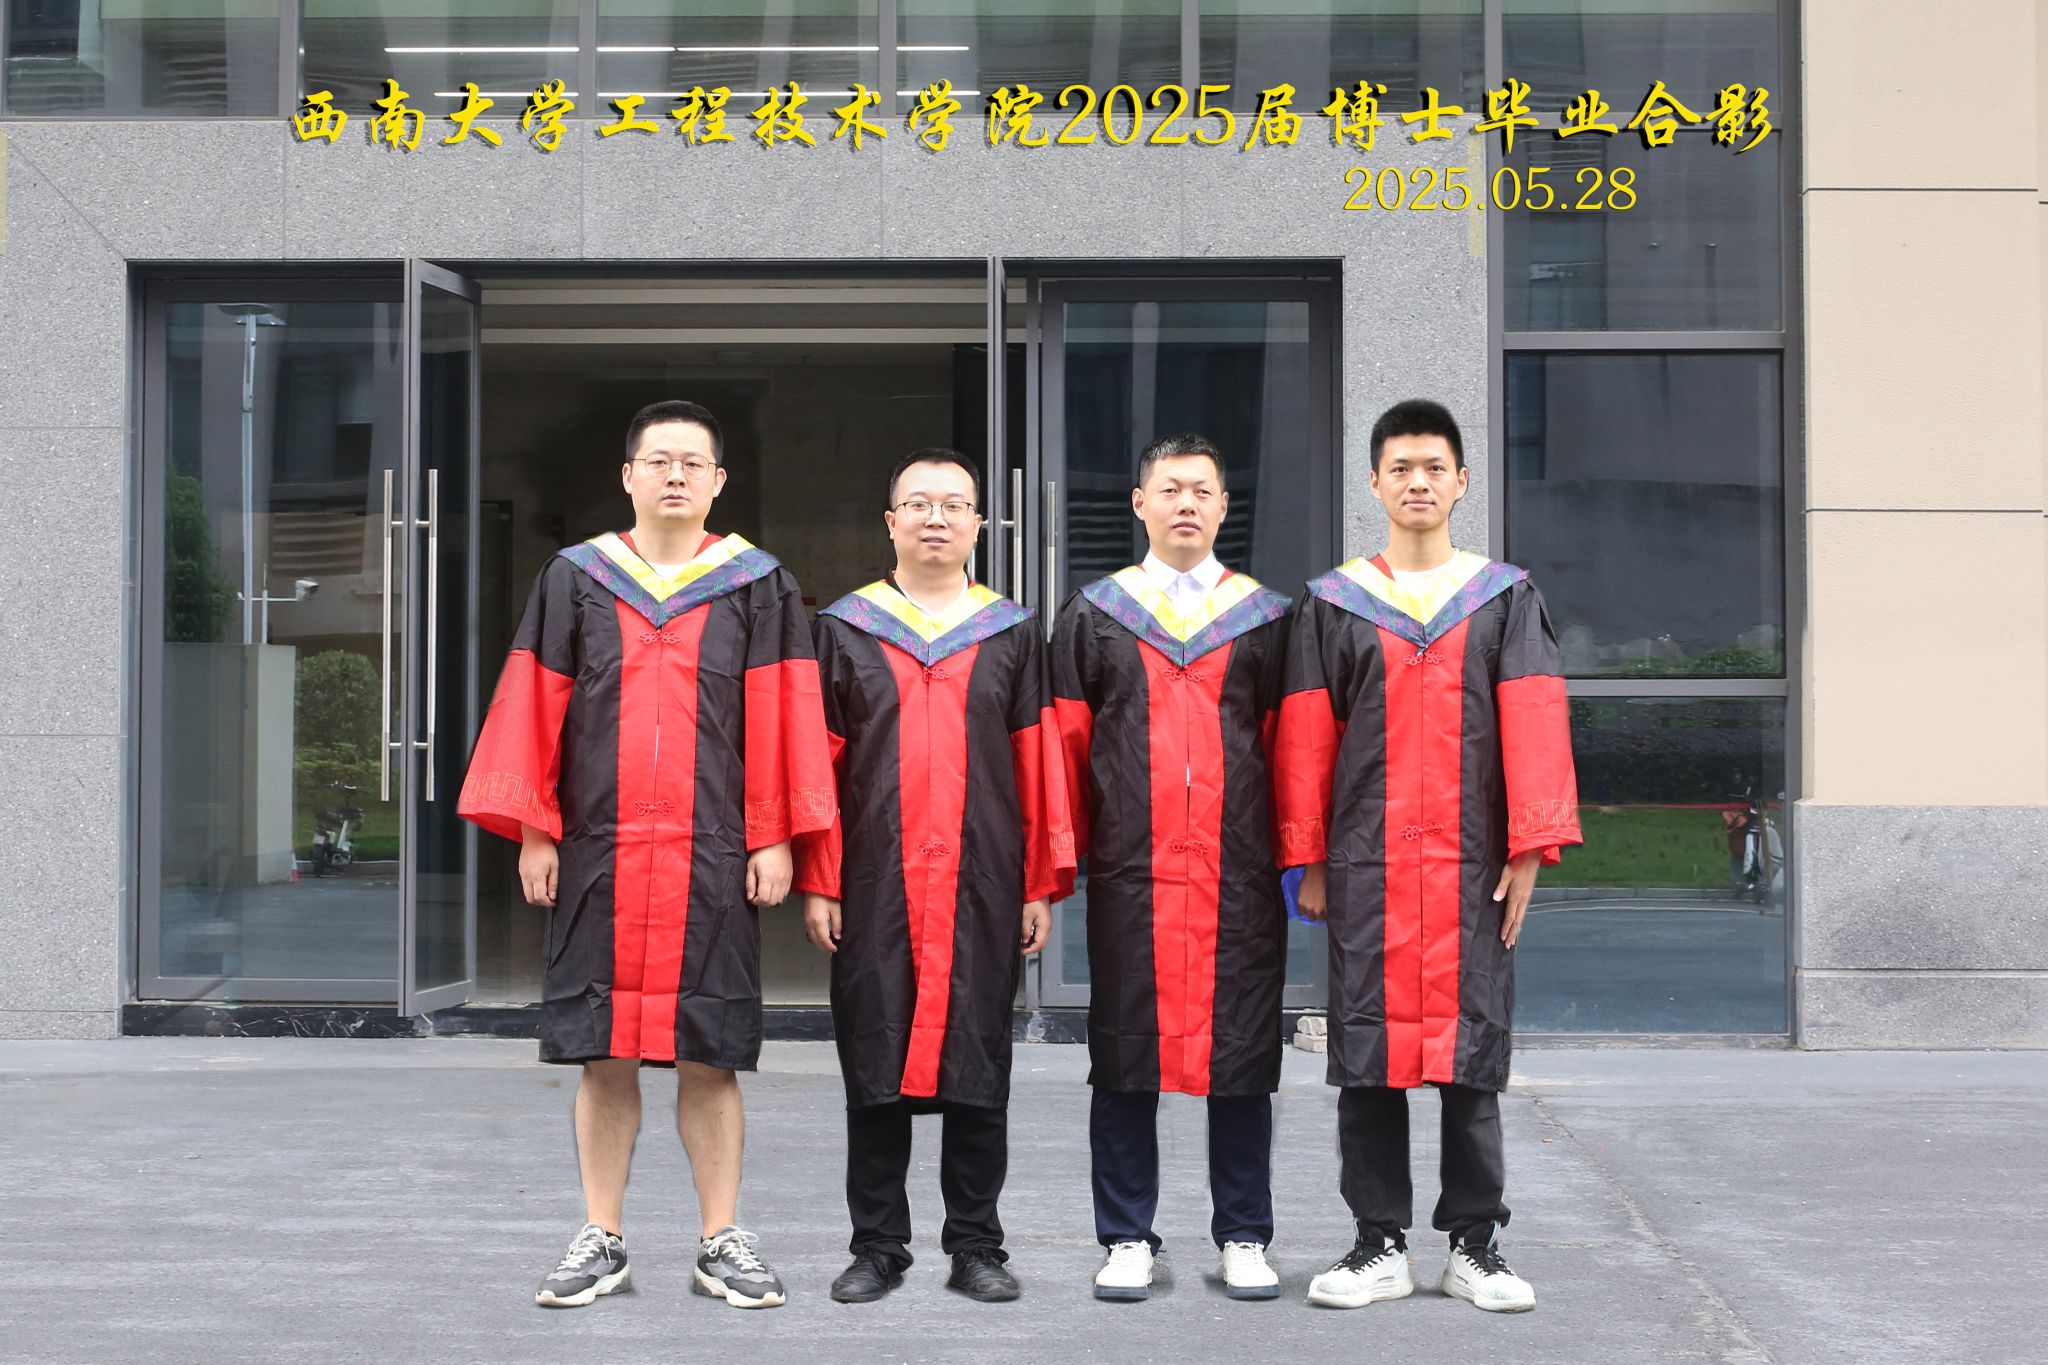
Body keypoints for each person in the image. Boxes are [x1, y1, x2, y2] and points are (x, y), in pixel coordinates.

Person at [458, 399, 835, 1311]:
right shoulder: (576, 577)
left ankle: (721, 1238)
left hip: (713, 854)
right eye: (658, 460)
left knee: (712, 1050)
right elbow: (537, 699)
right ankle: (602, 1234)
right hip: (601, 852)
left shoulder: (757, 584)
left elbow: (786, 712)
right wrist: (537, 829)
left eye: (691, 462)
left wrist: (776, 833)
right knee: (604, 1051)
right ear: (628, 476)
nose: (675, 474)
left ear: (717, 482)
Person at [1275, 399, 1582, 1314]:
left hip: (1471, 866)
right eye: (1401, 467)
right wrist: (1310, 857)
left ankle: (1474, 1245)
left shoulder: (1503, 596)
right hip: (1366, 864)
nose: (1418, 481)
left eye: (1434, 467)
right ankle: (1378, 1243)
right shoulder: (1333, 602)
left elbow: (1533, 715)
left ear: (1461, 481)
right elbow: (1306, 733)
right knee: (1367, 1052)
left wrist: (1530, 846)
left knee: (1471, 1049)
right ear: (1374, 482)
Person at [796, 448, 1076, 1305]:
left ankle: (976, 1245)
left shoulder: (1012, 632)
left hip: (981, 880)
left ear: (979, 523)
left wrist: (1038, 881)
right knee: (873, 1057)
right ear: (891, 522)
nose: (936, 517)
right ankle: (878, 1246)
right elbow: (818, 765)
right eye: (918, 503)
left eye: (955, 504)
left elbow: (1037, 764)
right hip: (876, 881)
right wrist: (821, 878)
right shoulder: (844, 628)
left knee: (979, 1061)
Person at [1050, 432, 1293, 1303]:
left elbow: (1291, 747)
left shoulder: (1266, 617)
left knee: (1243, 1054)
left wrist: (1301, 859)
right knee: (1124, 1055)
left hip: (1237, 873)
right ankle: (1126, 1235)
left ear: (1224, 506)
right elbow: (1066, 745)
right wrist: (1058, 864)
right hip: (1134, 873)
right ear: (1139, 503)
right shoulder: (1096, 614)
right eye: (1169, 488)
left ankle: (1245, 1233)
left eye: (1201, 489)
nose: (1186, 502)